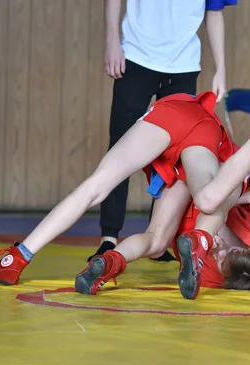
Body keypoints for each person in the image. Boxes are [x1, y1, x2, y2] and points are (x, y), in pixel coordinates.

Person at [0, 91, 250, 300]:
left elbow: (163, 239)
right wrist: (235, 200)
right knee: (213, 202)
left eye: (219, 256)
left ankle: (19, 259)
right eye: (227, 247)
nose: (220, 248)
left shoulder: (213, 275)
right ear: (248, 247)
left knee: (144, 229)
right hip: (202, 135)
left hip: (181, 172)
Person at [97, 0, 237, 263]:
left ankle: (157, 238)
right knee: (120, 148)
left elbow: (214, 12)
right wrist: (112, 40)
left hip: (183, 67)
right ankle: (109, 237)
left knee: (174, 159)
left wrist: (221, 68)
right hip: (136, 59)